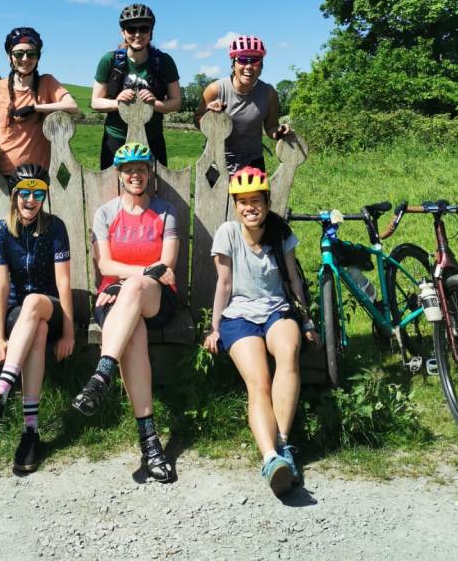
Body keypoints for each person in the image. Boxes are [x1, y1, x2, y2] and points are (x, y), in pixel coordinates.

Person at [204, 167, 318, 497]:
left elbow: (294, 281)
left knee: (288, 354)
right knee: (259, 381)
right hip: (238, 315)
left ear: (267, 203)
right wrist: (214, 328)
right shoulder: (227, 233)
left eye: (256, 201)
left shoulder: (280, 233)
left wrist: (307, 321)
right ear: (235, 206)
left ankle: (284, 446)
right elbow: (224, 284)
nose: (249, 207)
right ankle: (270, 458)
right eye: (242, 202)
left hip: (276, 310)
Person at [71, 142, 178, 483]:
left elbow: (167, 266)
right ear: (119, 175)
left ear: (150, 174)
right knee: (134, 336)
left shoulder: (166, 211)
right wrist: (141, 273)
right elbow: (104, 262)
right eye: (129, 170)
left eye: (142, 169)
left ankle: (101, 374)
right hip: (114, 301)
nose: (136, 175)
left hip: (156, 299)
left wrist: (125, 278)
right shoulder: (105, 213)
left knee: (133, 288)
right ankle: (150, 443)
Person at [0, 164, 75, 476]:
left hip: (51, 306)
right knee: (37, 331)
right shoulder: (0, 230)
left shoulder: (55, 227)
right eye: (25, 193)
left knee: (37, 308)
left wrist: (69, 332)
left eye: (38, 193)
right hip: (21, 315)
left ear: (45, 196)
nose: (31, 200)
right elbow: (1, 286)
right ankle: (30, 432)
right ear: (15, 196)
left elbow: (64, 283)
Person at [0, 26, 78, 181]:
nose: (25, 59)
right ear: (9, 56)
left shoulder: (47, 82)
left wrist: (35, 108)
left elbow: (72, 105)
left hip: (39, 173)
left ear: (37, 57)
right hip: (5, 172)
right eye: (18, 53)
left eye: (31, 54)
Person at [92, 4, 182, 170]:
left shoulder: (164, 61)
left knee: (156, 189)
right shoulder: (109, 60)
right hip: (116, 135)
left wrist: (155, 104)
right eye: (131, 29)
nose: (137, 34)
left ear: (151, 32)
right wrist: (117, 102)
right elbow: (96, 102)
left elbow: (176, 102)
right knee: (110, 189)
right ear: (123, 33)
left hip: (152, 136)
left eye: (144, 29)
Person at [194, 34, 290, 173]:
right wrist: (210, 117)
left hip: (253, 163)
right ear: (233, 64)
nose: (249, 66)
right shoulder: (215, 89)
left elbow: (271, 126)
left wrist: (280, 132)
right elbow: (197, 119)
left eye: (255, 60)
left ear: (262, 66)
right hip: (217, 161)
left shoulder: (269, 93)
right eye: (243, 60)